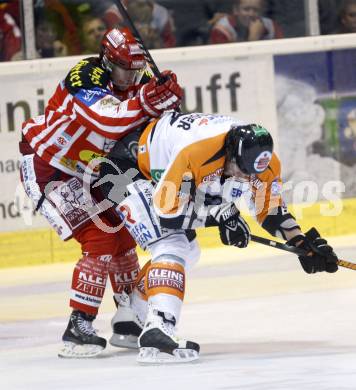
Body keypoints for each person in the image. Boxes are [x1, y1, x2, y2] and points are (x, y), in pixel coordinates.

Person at [99, 112, 339, 363]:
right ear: (230, 153)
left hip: (160, 177)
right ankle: (159, 329)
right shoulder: (197, 150)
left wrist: (301, 242)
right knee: (171, 244)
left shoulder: (263, 163)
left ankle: (130, 320)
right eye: (241, 170)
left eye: (252, 175)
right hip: (127, 169)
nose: (246, 179)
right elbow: (166, 210)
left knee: (189, 251)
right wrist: (218, 215)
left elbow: (270, 210)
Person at [19, 27, 183, 358]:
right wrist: (147, 101)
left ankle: (127, 319)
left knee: (122, 234)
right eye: (125, 68)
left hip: (90, 171)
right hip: (50, 166)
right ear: (108, 60)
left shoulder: (137, 83)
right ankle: (79, 325)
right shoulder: (84, 75)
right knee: (100, 237)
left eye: (136, 69)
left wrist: (165, 103)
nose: (131, 76)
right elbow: (106, 120)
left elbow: (150, 131)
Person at [209, 0, 283, 44]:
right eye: (246, 9)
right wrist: (253, 39)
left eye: (256, 10)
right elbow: (225, 61)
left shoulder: (271, 26)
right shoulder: (221, 30)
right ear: (236, 10)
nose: (251, 14)